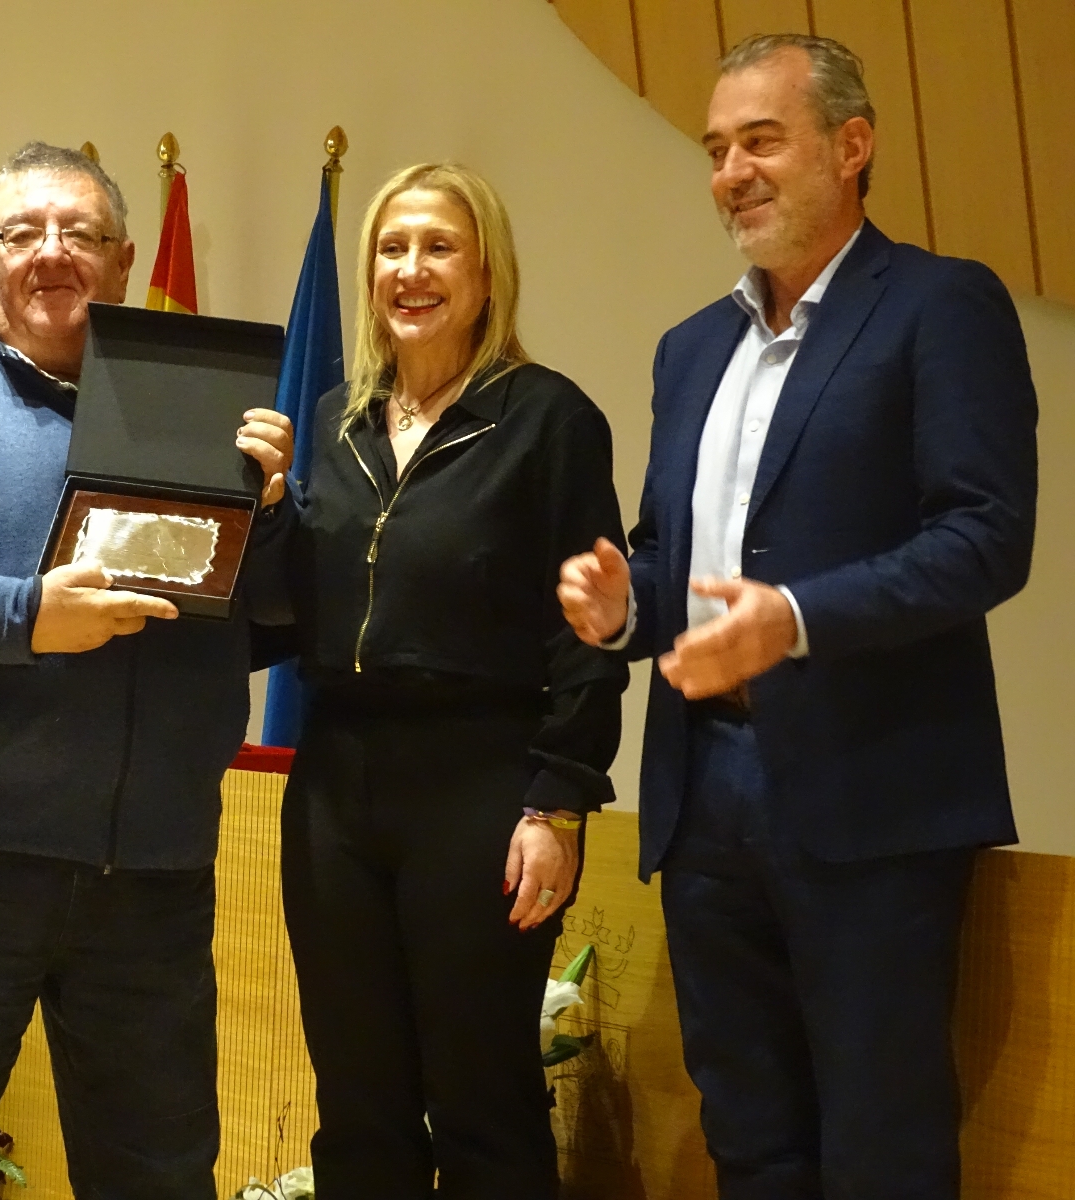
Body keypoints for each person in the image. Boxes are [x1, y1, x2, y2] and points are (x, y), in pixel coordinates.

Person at [558, 34, 1037, 1199]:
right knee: (750, 1142)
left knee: (879, 1148)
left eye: (760, 141)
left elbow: (983, 538)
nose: (730, 173)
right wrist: (626, 609)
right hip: (702, 795)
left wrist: (796, 620)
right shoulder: (690, 349)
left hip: (870, 795)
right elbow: (673, 557)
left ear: (850, 145)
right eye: (716, 149)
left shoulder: (938, 306)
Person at [0, 142, 295, 1200]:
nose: (51, 252)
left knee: (159, 1176)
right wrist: (29, 618)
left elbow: (273, 612)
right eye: (23, 232)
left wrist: (269, 510)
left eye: (80, 233)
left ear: (123, 261)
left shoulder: (203, 410)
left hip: (151, 880)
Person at [278, 162, 628, 1200]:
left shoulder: (547, 419)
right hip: (334, 785)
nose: (411, 270)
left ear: (486, 274)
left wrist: (559, 802)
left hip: (481, 784)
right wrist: (259, 512)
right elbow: (293, 602)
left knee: (482, 1101)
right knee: (358, 1105)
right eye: (391, 248)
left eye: (439, 247)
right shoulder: (334, 424)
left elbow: (588, 627)